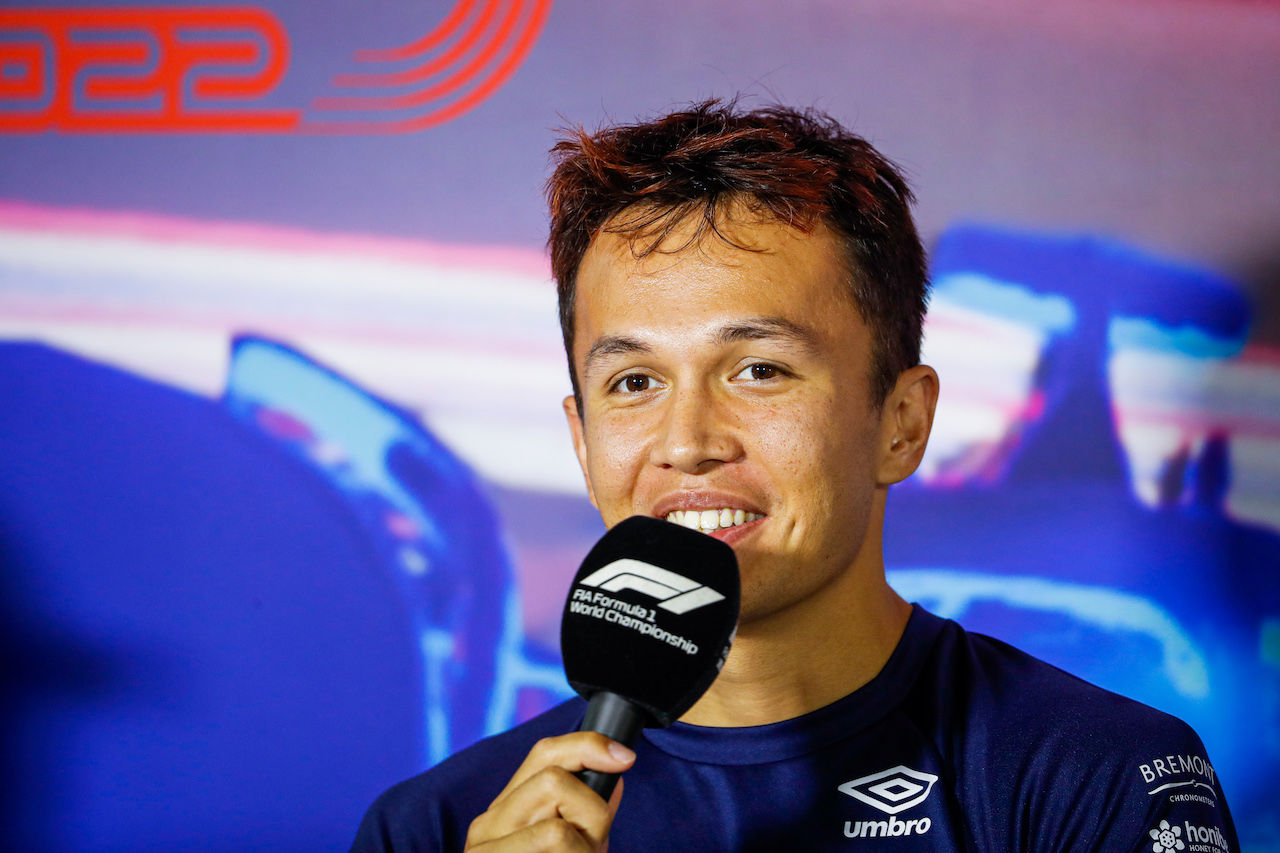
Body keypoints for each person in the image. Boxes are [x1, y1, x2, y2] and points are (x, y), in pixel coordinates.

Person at [350, 101, 1236, 852]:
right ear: (582, 442)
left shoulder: (1097, 777)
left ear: (902, 423)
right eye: (634, 382)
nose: (687, 441)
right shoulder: (436, 825)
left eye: (758, 370)